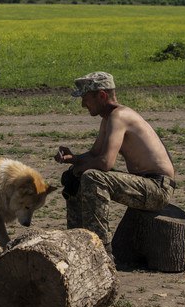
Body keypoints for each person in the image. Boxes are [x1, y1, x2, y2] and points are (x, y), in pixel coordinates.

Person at [54, 72, 176, 257]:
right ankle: (78, 243)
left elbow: (104, 163)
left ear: (101, 95)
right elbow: (95, 154)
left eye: (86, 98)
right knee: (75, 176)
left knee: (93, 177)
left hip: (158, 189)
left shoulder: (119, 117)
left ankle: (100, 251)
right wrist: (74, 159)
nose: (83, 104)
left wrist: (81, 167)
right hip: (146, 183)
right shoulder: (109, 118)